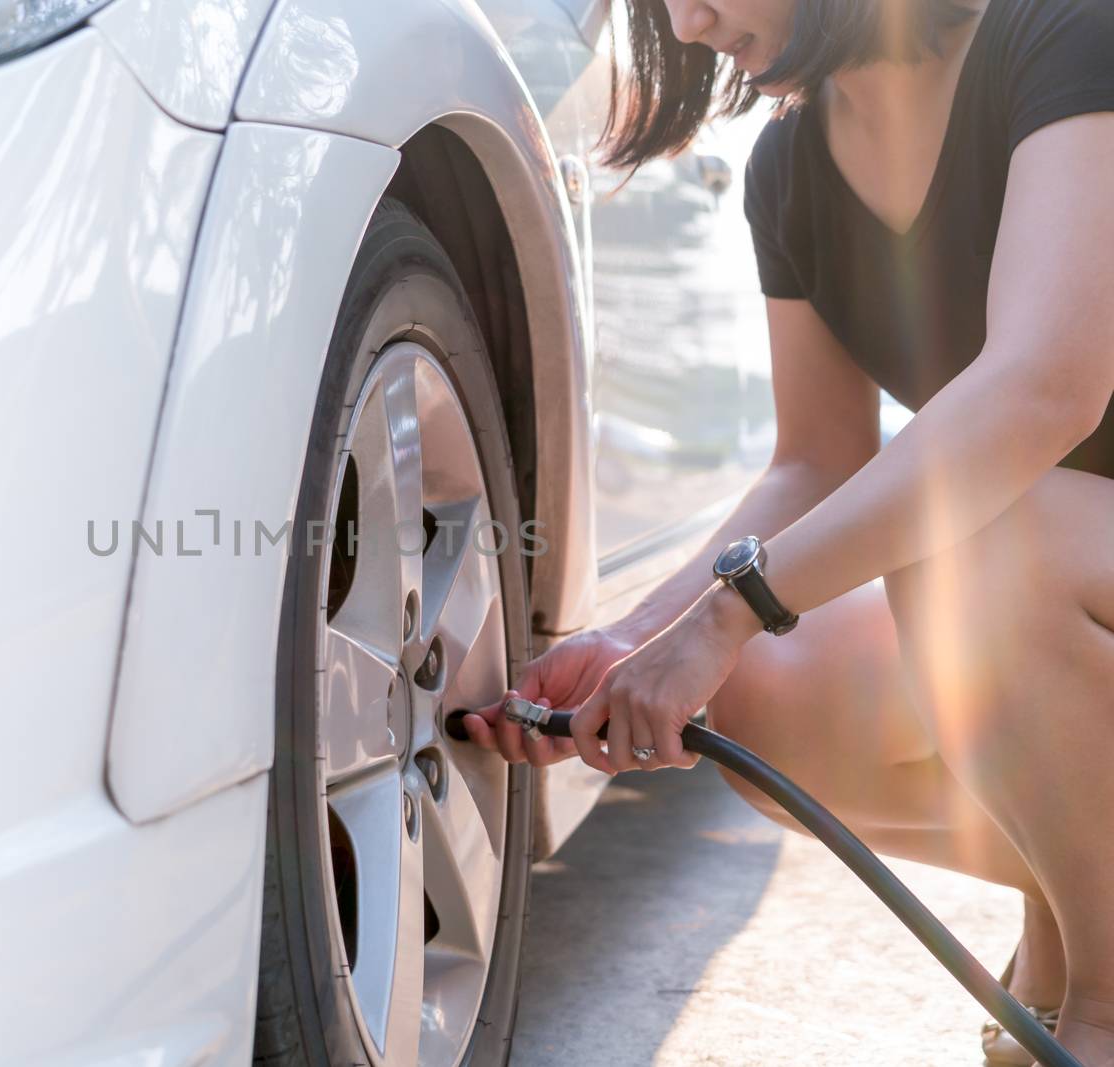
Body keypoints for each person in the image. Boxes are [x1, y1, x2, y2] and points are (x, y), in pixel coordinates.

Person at [458, 0, 1114, 1061]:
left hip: (1058, 556)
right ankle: (1080, 904)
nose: (690, 17)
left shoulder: (1067, 35)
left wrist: (726, 616)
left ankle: (1107, 1001)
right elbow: (818, 458)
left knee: (971, 545)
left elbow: (1043, 390)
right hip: (1071, 576)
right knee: (769, 697)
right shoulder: (789, 167)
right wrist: (642, 637)